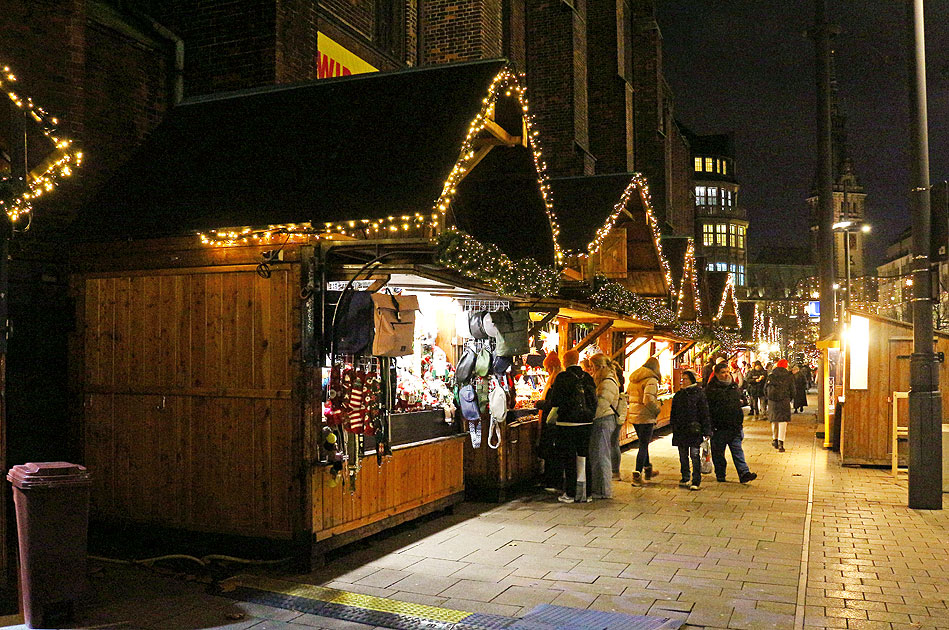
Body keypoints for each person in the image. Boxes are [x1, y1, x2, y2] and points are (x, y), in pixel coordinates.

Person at [549, 349, 598, 503]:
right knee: (584, 456)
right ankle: (586, 493)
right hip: (586, 422)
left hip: (567, 422)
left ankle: (570, 493)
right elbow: (594, 399)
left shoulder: (562, 377)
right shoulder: (588, 377)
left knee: (569, 457)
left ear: (564, 361)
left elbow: (555, 401)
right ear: (577, 360)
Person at [706, 362, 757, 483]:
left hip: (734, 426)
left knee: (737, 451)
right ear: (717, 374)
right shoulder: (711, 389)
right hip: (718, 427)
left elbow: (739, 403)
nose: (726, 375)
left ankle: (744, 473)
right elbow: (707, 409)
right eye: (723, 372)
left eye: (727, 372)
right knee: (718, 454)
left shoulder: (733, 387)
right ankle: (720, 474)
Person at [670, 370, 711, 491]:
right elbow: (674, 413)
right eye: (682, 379)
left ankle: (696, 480)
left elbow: (704, 413)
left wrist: (707, 431)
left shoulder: (699, 394)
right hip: (681, 430)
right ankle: (685, 477)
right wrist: (674, 426)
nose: (683, 381)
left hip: (694, 430)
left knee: (694, 455)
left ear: (692, 380)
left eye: (685, 379)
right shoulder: (679, 395)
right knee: (682, 455)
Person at [588, 354, 621, 499]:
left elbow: (601, 405)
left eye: (593, 367)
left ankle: (603, 490)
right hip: (604, 420)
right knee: (598, 455)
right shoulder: (607, 380)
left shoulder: (607, 382)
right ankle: (600, 488)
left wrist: (590, 416)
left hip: (603, 421)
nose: (592, 370)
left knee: (601, 456)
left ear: (600, 366)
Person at [627, 356, 662, 486]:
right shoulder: (651, 380)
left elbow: (629, 394)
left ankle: (648, 469)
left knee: (643, 443)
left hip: (635, 415)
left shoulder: (634, 378)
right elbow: (648, 400)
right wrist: (657, 409)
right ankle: (637, 474)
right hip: (645, 416)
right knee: (643, 445)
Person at [535, 351, 563, 492]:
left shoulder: (556, 381)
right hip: (550, 419)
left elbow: (553, 403)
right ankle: (549, 479)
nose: (546, 371)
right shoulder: (556, 379)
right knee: (550, 451)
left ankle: (552, 480)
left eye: (547, 368)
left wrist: (540, 404)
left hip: (551, 420)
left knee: (551, 451)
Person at [766, 359, 794, 452]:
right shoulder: (789, 376)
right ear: (786, 366)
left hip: (773, 402)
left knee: (774, 420)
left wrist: (769, 399)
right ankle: (781, 442)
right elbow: (793, 390)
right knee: (783, 422)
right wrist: (789, 398)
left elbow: (765, 389)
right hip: (784, 401)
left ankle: (775, 439)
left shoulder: (771, 375)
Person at [612, 363, 626, 480]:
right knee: (614, 442)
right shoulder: (619, 382)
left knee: (613, 443)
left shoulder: (613, 383)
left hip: (614, 414)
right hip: (618, 415)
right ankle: (615, 471)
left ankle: (615, 471)